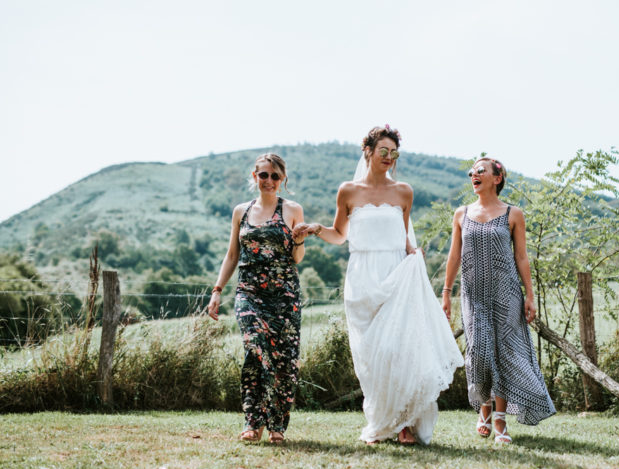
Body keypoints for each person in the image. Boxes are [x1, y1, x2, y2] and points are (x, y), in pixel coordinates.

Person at [295, 125, 463, 445]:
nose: (388, 158)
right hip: (361, 277)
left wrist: (414, 254)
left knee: (398, 350)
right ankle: (380, 420)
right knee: (370, 356)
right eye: (383, 151)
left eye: (394, 153)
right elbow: (340, 234)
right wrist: (317, 229)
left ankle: (404, 424)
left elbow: (404, 235)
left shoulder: (403, 191)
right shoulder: (348, 191)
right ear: (368, 151)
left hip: (395, 273)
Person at [442, 157, 555, 444]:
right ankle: (484, 409)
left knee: (505, 354)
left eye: (480, 171)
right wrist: (446, 293)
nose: (473, 175)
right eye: (471, 172)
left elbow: (521, 257)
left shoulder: (513, 214)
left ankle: (500, 420)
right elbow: (454, 256)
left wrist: (530, 295)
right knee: (479, 354)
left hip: (506, 295)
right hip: (473, 297)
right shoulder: (461, 214)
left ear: (497, 178)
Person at [207, 153, 307, 444]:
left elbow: (297, 257)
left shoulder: (292, 210)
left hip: (285, 293)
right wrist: (217, 291)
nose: (269, 181)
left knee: (284, 359)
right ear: (255, 177)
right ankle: (253, 420)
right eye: (264, 175)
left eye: (275, 176)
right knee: (255, 345)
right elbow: (232, 255)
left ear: (283, 180)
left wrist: (298, 238)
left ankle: (276, 425)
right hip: (249, 292)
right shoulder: (241, 211)